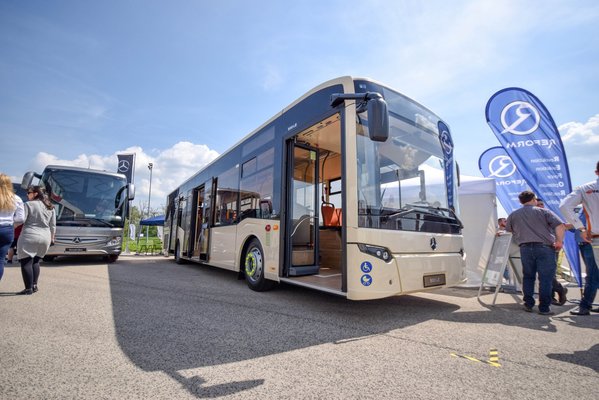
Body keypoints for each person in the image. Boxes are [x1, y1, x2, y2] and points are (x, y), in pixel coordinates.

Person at [506, 190, 565, 315]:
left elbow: (509, 230)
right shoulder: (543, 212)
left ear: (520, 201)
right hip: (544, 248)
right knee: (545, 279)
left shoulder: (513, 215)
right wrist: (559, 241)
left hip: (525, 248)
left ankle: (528, 303)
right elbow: (560, 226)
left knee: (528, 277)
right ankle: (544, 308)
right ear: (533, 199)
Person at [559, 160, 599, 316]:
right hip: (590, 239)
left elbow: (564, 206)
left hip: (593, 239)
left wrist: (580, 227)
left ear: (596, 172)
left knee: (593, 274)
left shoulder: (585, 189)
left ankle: (585, 306)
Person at [16, 186, 56, 295]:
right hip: (45, 237)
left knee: (26, 261)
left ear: (35, 194)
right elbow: (53, 225)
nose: (27, 195)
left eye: (28, 192)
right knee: (36, 261)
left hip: (30, 235)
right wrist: (52, 238)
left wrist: (11, 226)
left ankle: (28, 289)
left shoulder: (28, 204)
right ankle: (34, 285)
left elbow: (21, 220)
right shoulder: (50, 207)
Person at [536, 198, 568, 306]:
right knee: (543, 274)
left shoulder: (549, 215)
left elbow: (561, 227)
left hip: (551, 247)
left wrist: (559, 242)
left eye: (541, 204)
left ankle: (553, 294)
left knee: (548, 273)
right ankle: (558, 291)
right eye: (538, 204)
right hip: (536, 248)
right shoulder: (532, 218)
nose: (540, 206)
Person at [0, 174, 25, 282]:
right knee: (1, 260)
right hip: (7, 230)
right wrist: (12, 225)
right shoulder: (16, 198)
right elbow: (21, 218)